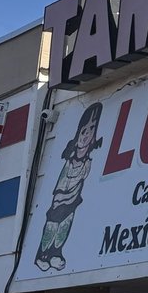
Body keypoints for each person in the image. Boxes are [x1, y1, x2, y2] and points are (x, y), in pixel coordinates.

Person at [34, 101, 103, 271]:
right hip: (60, 198)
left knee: (64, 226)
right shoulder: (69, 160)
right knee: (52, 225)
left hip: (74, 199)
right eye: (83, 131)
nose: (86, 135)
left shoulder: (88, 161)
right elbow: (65, 180)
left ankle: (56, 252)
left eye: (91, 130)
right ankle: (42, 254)